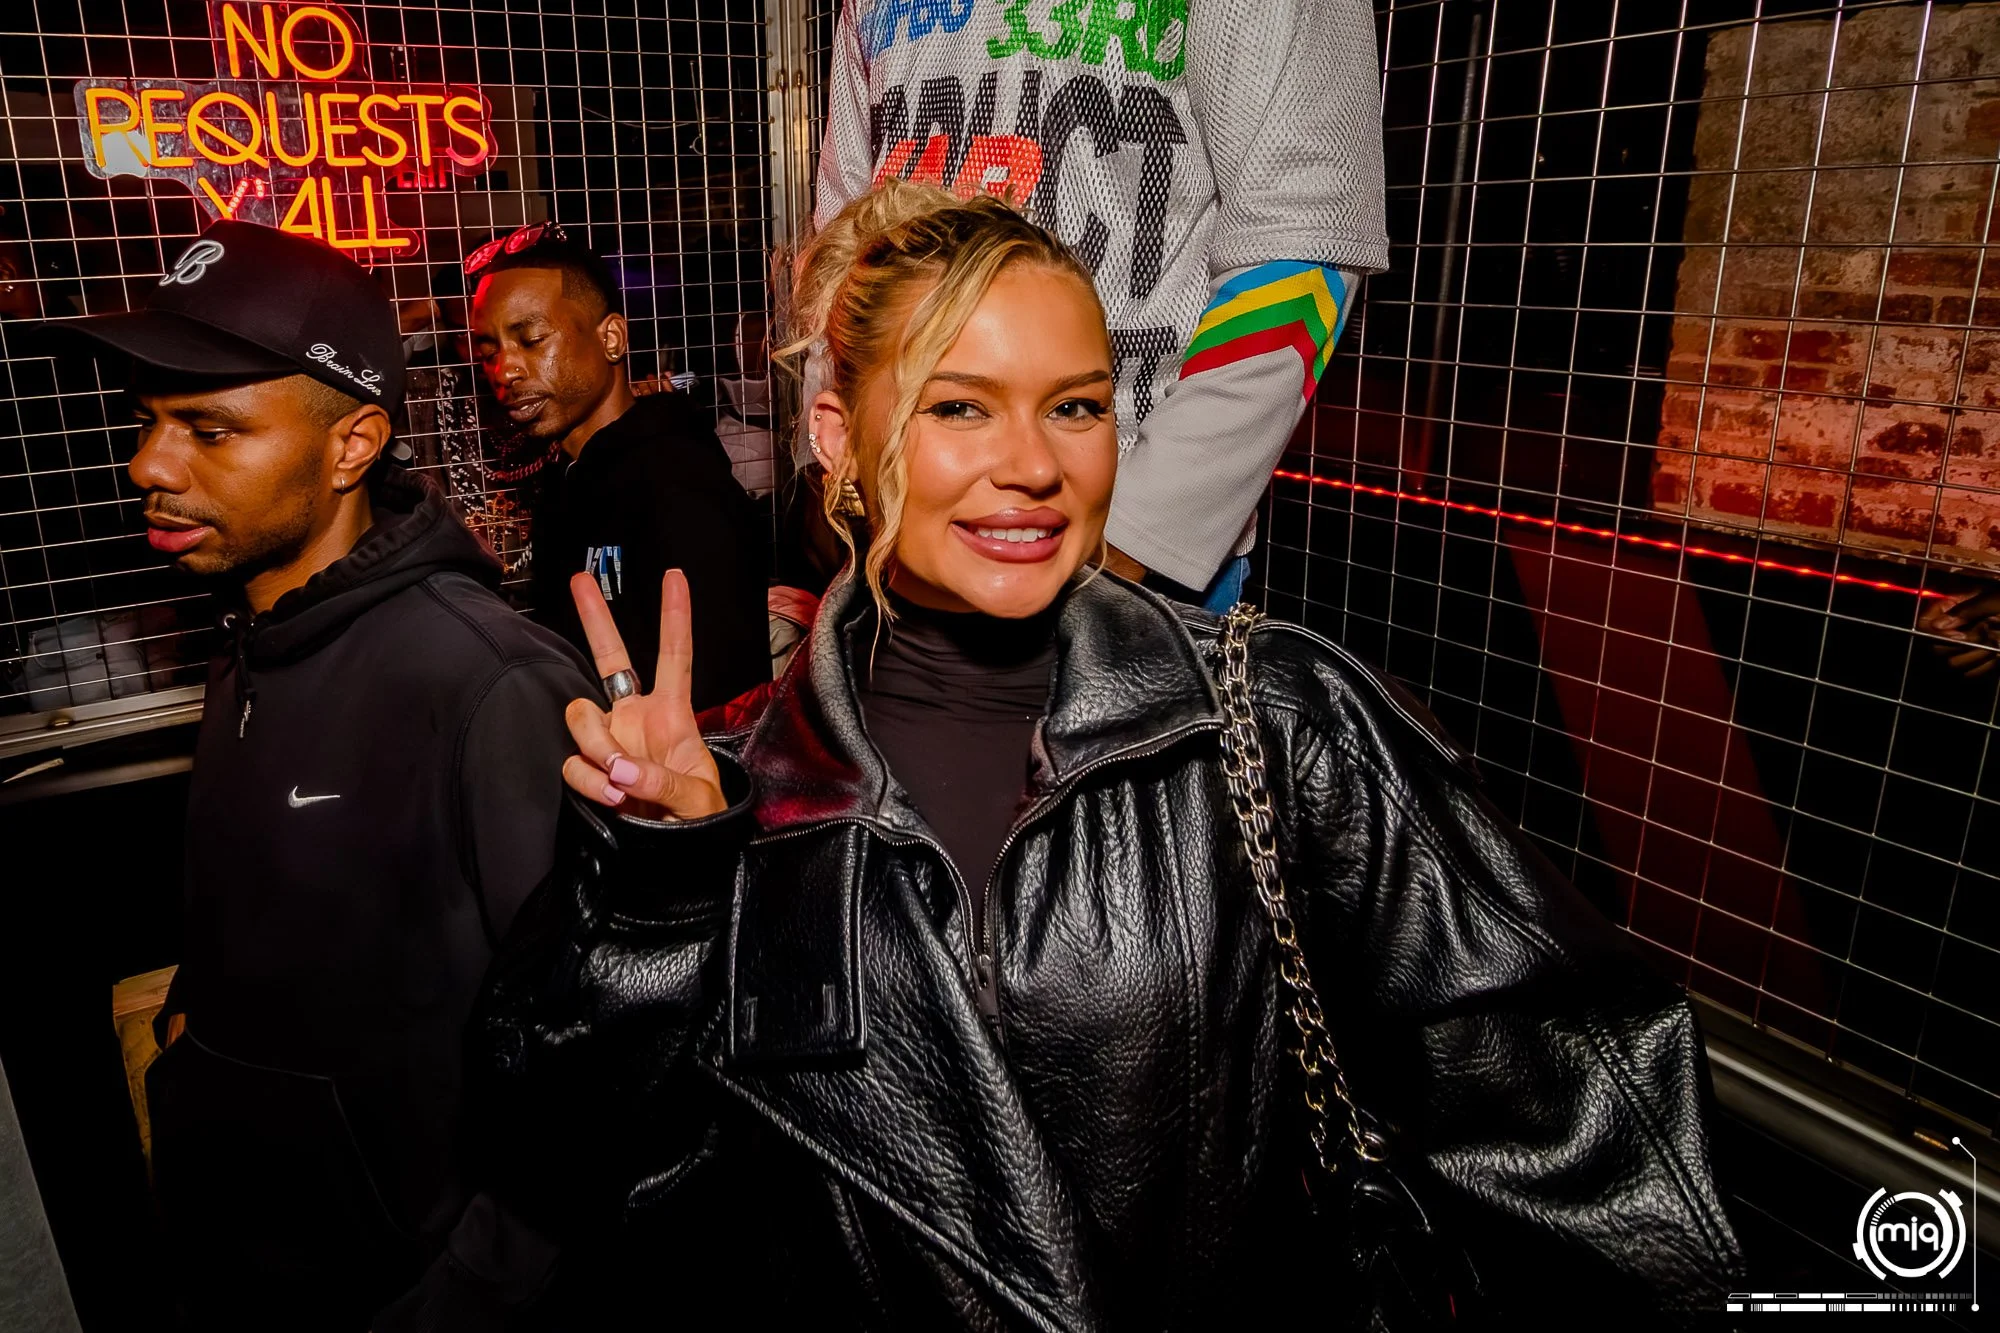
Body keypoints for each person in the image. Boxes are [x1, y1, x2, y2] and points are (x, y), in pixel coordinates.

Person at [459, 184, 1741, 1328]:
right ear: (839, 437)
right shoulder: (730, 786)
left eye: (1074, 406)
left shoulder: (1270, 720)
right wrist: (661, 885)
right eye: (960, 406)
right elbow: (573, 1161)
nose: (1033, 465)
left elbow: (1580, 1124)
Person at [60, 221, 596, 1331]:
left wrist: (462, 1301)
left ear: (352, 447)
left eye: (210, 428)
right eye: (149, 421)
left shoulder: (486, 683)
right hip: (247, 1259)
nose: (149, 465)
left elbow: (593, 1078)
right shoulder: (251, 636)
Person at [809, 0, 1388, 611]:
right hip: (900, 522)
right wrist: (842, 484)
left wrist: (1134, 540)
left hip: (1122, 541)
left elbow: (1301, 249)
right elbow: (842, 244)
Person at [467, 222, 771, 709]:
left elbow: (726, 698)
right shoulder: (566, 480)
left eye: (532, 340)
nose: (506, 370)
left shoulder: (681, 488)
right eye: (488, 352)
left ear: (611, 338)